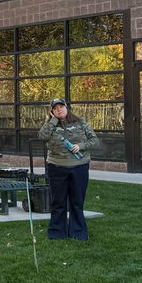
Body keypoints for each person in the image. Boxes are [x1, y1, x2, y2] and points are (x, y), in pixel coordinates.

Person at [38, 98, 98, 241]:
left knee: (77, 201)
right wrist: (53, 121)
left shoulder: (80, 122)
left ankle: (78, 232)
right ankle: (57, 232)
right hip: (56, 167)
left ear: (67, 108)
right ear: (52, 112)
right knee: (58, 202)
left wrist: (81, 146)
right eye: (55, 108)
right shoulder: (50, 125)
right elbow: (42, 136)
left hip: (79, 166)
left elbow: (94, 140)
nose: (59, 110)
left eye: (61, 107)